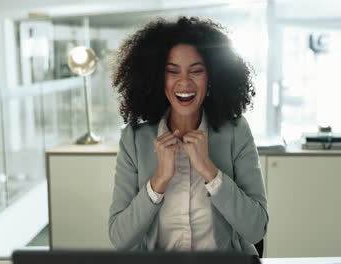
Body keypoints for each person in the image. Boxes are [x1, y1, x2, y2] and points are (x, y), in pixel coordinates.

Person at [108, 16, 268, 256]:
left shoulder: (236, 132)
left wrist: (209, 171)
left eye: (196, 71)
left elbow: (256, 230)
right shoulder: (134, 139)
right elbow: (120, 239)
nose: (184, 82)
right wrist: (159, 180)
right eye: (172, 72)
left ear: (211, 77)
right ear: (157, 78)